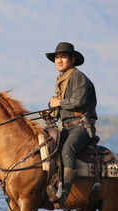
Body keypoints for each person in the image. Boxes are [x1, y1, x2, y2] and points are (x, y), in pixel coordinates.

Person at [45, 42, 98, 202]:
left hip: (81, 126)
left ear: (72, 59)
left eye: (63, 57)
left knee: (67, 150)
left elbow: (79, 101)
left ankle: (64, 193)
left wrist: (58, 103)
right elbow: (62, 106)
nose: (59, 60)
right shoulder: (61, 80)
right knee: (50, 149)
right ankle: (53, 185)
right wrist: (52, 110)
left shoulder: (78, 77)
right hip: (67, 127)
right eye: (57, 58)